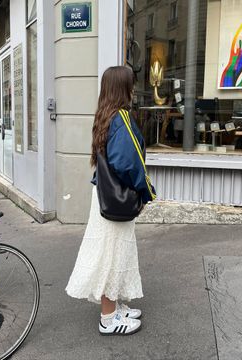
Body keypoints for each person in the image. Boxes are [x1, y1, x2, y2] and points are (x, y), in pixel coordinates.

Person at [65, 66, 156, 336]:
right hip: (117, 197)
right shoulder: (121, 118)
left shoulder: (105, 115)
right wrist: (145, 190)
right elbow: (130, 163)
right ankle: (108, 317)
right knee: (112, 254)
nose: (133, 89)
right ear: (122, 88)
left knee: (113, 250)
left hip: (105, 196)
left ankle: (114, 307)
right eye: (130, 84)